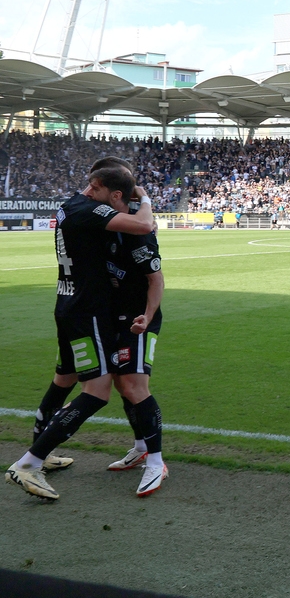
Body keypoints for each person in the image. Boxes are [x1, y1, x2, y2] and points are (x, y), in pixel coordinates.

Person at [5, 163, 155, 500]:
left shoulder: (70, 205)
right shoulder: (88, 209)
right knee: (97, 392)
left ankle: (40, 449)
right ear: (100, 187)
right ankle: (30, 463)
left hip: (66, 303)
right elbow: (144, 224)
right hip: (88, 311)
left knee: (64, 379)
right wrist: (144, 198)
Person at [102, 167, 168, 497]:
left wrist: (148, 315)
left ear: (117, 194)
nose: (91, 193)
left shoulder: (139, 231)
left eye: (96, 187)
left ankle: (156, 462)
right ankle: (141, 446)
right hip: (115, 317)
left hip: (139, 318)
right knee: (121, 384)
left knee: (134, 385)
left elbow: (156, 280)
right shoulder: (105, 222)